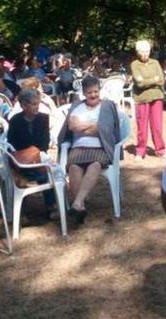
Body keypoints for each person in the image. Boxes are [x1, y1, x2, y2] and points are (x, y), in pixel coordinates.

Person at [57, 76, 122, 225]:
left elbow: (104, 129)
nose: (93, 95)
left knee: (95, 165)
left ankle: (77, 203)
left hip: (100, 147)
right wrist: (92, 125)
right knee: (73, 167)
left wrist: (85, 126)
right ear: (83, 93)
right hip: (78, 147)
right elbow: (72, 127)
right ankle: (81, 207)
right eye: (89, 93)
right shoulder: (77, 107)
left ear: (100, 91)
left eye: (95, 92)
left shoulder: (107, 107)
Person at [6, 90, 58, 220]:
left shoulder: (43, 119)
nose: (37, 107)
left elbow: (44, 143)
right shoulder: (15, 121)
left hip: (38, 157)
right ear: (24, 106)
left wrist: (34, 153)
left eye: (37, 104)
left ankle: (51, 205)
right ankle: (22, 210)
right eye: (33, 104)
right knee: (19, 175)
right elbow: (12, 143)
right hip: (20, 159)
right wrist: (26, 154)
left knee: (46, 171)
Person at [130, 40, 166, 158]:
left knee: (157, 126)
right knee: (142, 126)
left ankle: (160, 150)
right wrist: (153, 80)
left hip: (157, 97)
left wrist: (146, 80)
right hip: (141, 98)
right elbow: (139, 83)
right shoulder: (135, 64)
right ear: (138, 52)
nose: (145, 54)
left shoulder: (155, 63)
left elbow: (161, 80)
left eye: (147, 51)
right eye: (142, 51)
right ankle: (140, 151)